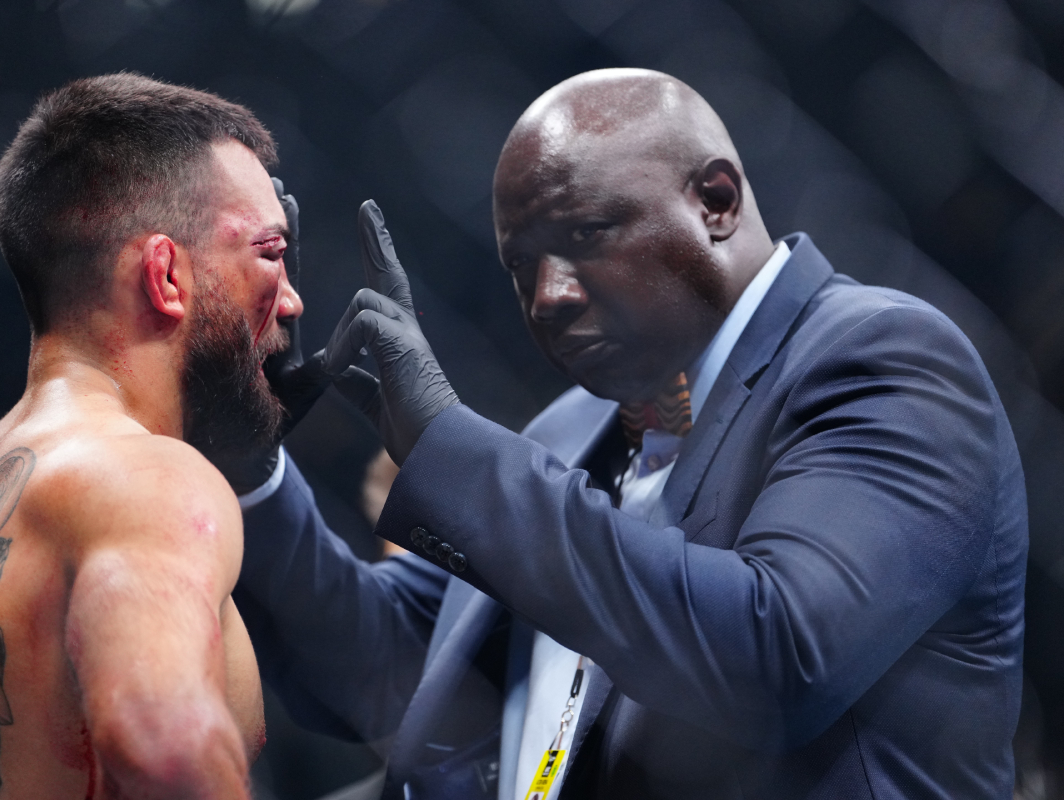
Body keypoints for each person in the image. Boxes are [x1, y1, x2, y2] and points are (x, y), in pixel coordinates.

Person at [235, 68, 1028, 799]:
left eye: (586, 234)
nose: (548, 296)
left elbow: (779, 660)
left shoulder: (882, 360)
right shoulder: (571, 429)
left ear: (716, 201)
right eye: (521, 266)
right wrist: (248, 459)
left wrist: (449, 445)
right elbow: (387, 665)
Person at [0, 73, 318, 799]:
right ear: (165, 276)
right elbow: (165, 747)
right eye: (269, 253)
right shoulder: (148, 478)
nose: (290, 299)